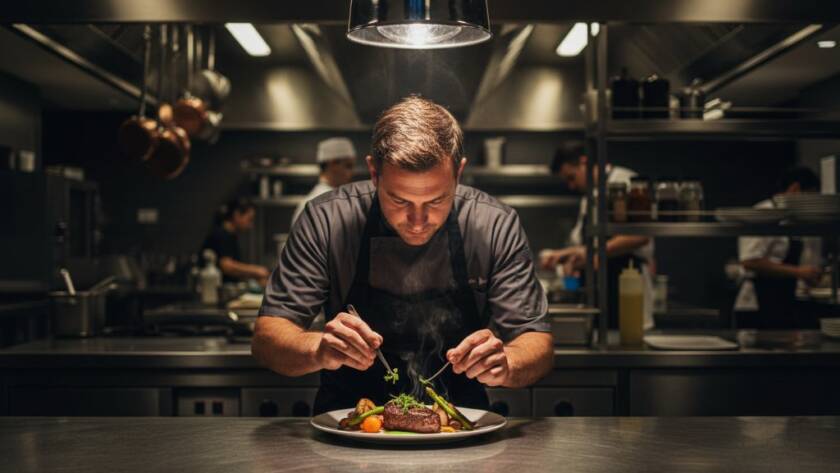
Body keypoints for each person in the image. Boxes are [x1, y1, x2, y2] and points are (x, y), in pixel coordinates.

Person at [253, 96, 553, 414]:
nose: (418, 222)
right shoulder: (326, 220)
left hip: (460, 425)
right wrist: (317, 348)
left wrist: (508, 363)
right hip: (347, 425)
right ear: (373, 172)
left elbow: (537, 342)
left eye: (437, 200)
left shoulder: (493, 225)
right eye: (399, 201)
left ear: (458, 173)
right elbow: (267, 338)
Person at [539, 142, 655, 328]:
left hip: (627, 285)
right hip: (599, 294)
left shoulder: (626, 180)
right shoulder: (589, 196)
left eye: (572, 177)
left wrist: (592, 253)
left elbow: (640, 234)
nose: (571, 185)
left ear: (584, 162)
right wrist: (563, 255)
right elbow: (589, 245)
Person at [733, 166, 823, 329]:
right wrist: (799, 272)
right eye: (811, 196)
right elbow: (750, 261)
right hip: (757, 305)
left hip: (784, 302)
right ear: (795, 189)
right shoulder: (762, 213)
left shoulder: (795, 219)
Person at [202, 198, 270, 286]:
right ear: (237, 215)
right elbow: (226, 266)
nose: (251, 225)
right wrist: (256, 271)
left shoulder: (230, 235)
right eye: (249, 219)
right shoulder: (222, 235)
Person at [291, 137, 357, 225]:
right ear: (332, 164)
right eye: (348, 166)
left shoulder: (333, 198)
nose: (352, 172)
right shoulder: (323, 203)